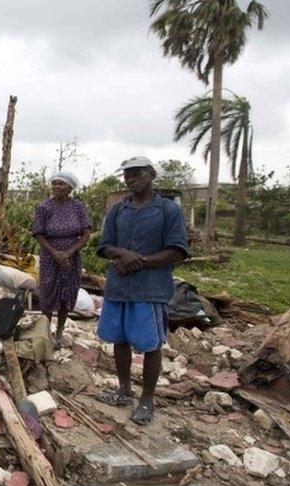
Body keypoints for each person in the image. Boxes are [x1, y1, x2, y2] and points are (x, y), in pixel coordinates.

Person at [95, 157, 188, 426]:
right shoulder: (118, 211)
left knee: (150, 344)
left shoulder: (168, 210)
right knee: (119, 339)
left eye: (136, 174)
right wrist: (123, 254)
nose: (130, 179)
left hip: (149, 288)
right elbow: (104, 246)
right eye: (127, 175)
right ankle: (124, 390)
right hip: (119, 285)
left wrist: (141, 261)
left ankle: (147, 399)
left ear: (151, 175)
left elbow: (177, 250)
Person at [32, 171, 93, 346]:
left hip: (71, 258)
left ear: (70, 188)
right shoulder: (44, 207)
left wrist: (68, 253)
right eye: (54, 183)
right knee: (48, 292)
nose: (57, 187)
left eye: (61, 184)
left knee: (67, 293)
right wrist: (55, 253)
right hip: (49, 257)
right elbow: (38, 233)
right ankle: (44, 332)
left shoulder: (78, 207)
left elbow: (86, 234)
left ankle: (59, 331)